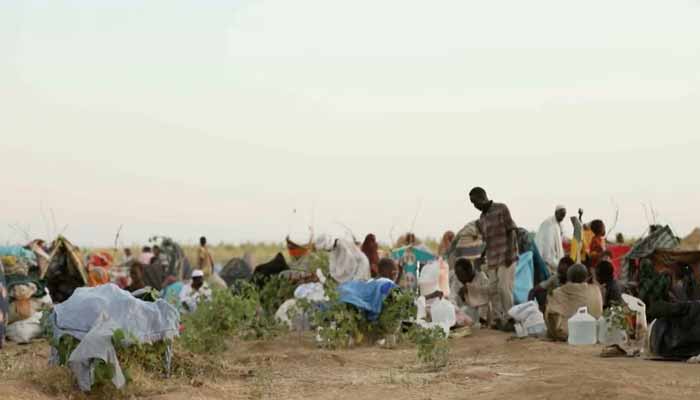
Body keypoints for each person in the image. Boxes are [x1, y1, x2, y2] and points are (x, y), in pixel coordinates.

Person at [469, 187, 518, 330]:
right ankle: (498, 319)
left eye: (474, 201)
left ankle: (510, 319)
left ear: (482, 197)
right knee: (492, 289)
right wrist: (481, 256)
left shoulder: (501, 208)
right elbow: (487, 242)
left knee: (504, 288)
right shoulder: (482, 219)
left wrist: (510, 253)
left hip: (506, 255)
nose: (474, 205)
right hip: (492, 258)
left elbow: (512, 231)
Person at [545, 263, 603, 341]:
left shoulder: (557, 292)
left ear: (568, 277)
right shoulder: (596, 290)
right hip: (593, 332)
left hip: (567, 335)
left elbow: (550, 318)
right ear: (586, 278)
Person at [454, 257, 489, 328]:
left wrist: (470, 288)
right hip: (465, 315)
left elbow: (488, 293)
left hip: (480, 315)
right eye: (457, 274)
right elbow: (453, 298)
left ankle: (482, 324)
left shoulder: (481, 277)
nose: (458, 277)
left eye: (461, 274)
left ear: (469, 271)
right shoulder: (457, 281)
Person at [535, 206, 566, 275]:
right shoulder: (548, 223)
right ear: (556, 213)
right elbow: (546, 243)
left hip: (556, 261)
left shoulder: (559, 225)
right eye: (561, 215)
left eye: (564, 216)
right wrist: (547, 259)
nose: (562, 218)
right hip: (547, 262)